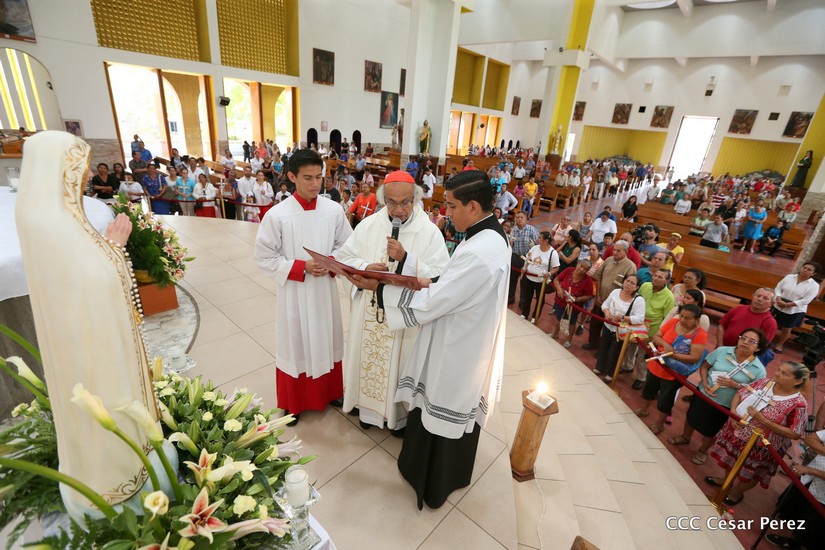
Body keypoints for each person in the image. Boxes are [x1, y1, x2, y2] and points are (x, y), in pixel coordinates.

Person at [345, 170, 509, 510]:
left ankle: (430, 481)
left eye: (450, 205)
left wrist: (383, 287)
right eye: (392, 201)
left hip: (457, 343)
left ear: (474, 206)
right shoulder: (487, 237)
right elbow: (448, 279)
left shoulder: (478, 249)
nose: (446, 212)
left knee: (440, 404)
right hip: (465, 335)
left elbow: (438, 299)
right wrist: (411, 270)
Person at [338, 170, 450, 433]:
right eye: (391, 202)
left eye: (406, 202)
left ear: (416, 200)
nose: (398, 210)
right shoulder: (369, 225)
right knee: (367, 360)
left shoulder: (430, 232)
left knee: (401, 364)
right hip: (369, 308)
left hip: (404, 316)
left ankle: (397, 418)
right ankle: (367, 411)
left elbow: (439, 276)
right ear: (382, 200)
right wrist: (366, 266)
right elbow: (345, 257)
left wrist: (406, 259)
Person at [253, 149, 353, 423]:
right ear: (291, 177)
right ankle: (294, 401)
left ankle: (331, 391)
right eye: (307, 178)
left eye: (319, 177)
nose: (315, 184)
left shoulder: (333, 210)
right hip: (295, 293)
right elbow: (264, 256)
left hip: (324, 291)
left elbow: (347, 244)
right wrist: (301, 267)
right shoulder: (277, 215)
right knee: (297, 342)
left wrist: (332, 261)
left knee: (326, 337)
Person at [706, 362, 809, 505]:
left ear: (798, 381)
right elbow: (740, 394)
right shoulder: (764, 383)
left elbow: (795, 433)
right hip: (739, 434)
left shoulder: (799, 404)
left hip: (762, 446)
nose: (777, 373)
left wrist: (764, 421)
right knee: (732, 460)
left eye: (785, 373)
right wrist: (733, 413)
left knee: (751, 472)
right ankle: (726, 481)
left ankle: (737, 492)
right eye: (779, 369)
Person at [668, 328, 767, 466]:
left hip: (725, 403)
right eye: (743, 338)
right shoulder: (722, 351)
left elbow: (755, 393)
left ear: (758, 348)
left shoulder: (759, 369)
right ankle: (685, 437)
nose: (745, 342)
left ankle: (703, 450)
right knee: (692, 417)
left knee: (712, 429)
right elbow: (705, 366)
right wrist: (705, 382)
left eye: (752, 341)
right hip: (704, 392)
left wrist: (736, 385)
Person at [634, 304, 708, 434]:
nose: (683, 320)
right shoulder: (674, 322)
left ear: (697, 320)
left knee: (665, 399)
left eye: (688, 318)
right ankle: (644, 409)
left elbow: (694, 357)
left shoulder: (700, 334)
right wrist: (665, 345)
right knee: (649, 389)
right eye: (682, 316)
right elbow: (657, 336)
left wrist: (671, 355)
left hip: (673, 372)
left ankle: (659, 423)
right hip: (657, 364)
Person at [584, 240, 638, 351]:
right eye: (614, 249)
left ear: (626, 251)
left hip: (615, 306)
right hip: (600, 300)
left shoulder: (630, 266)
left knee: (608, 329)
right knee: (595, 324)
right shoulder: (608, 260)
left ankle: (602, 350)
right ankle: (592, 343)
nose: (615, 252)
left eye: (618, 250)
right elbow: (598, 277)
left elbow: (629, 287)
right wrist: (598, 295)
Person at [629, 270, 675, 389]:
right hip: (636, 325)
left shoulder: (669, 296)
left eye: (660, 277)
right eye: (655, 275)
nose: (656, 278)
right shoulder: (645, 286)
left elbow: (666, 319)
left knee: (643, 355)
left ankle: (641, 377)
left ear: (666, 281)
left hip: (651, 331)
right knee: (630, 348)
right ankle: (627, 366)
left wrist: (658, 336)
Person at [594, 274, 645, 380]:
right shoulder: (616, 292)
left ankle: (610, 374)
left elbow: (639, 318)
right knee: (603, 346)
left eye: (632, 283)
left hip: (621, 330)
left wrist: (622, 317)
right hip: (608, 325)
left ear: (636, 287)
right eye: (627, 281)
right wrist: (607, 313)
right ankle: (599, 367)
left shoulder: (638, 300)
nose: (628, 284)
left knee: (615, 352)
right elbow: (605, 304)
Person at [773, 262, 821, 353]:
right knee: (772, 323)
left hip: (794, 310)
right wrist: (778, 298)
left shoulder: (814, 286)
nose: (805, 270)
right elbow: (778, 288)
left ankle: (780, 344)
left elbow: (806, 300)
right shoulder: (789, 277)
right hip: (778, 304)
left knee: (786, 328)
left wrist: (788, 305)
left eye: (809, 270)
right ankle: (767, 340)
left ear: (814, 274)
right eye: (804, 267)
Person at [550, 260, 593, 348]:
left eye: (584, 269)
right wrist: (559, 290)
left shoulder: (588, 281)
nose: (580, 269)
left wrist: (576, 299)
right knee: (559, 318)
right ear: (577, 264)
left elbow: (589, 296)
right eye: (580, 266)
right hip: (561, 301)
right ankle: (554, 333)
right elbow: (556, 280)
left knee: (571, 323)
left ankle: (569, 340)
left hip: (574, 306)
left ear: (587, 271)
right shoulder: (569, 270)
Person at [518, 231, 559, 319]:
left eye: (540, 238)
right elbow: (527, 259)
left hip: (541, 281)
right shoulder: (534, 248)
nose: (537, 239)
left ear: (546, 240)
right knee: (527, 296)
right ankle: (525, 313)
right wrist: (524, 268)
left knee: (540, 299)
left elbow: (556, 267)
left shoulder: (553, 253)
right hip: (529, 277)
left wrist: (549, 273)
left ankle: (535, 316)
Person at [508, 211, 539, 304]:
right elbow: (510, 244)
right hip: (515, 256)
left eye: (521, 217)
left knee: (524, 281)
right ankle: (510, 297)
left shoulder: (531, 229)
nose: (519, 219)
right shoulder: (513, 230)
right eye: (517, 217)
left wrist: (533, 245)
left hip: (526, 258)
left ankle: (523, 301)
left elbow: (537, 244)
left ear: (526, 219)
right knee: (512, 279)